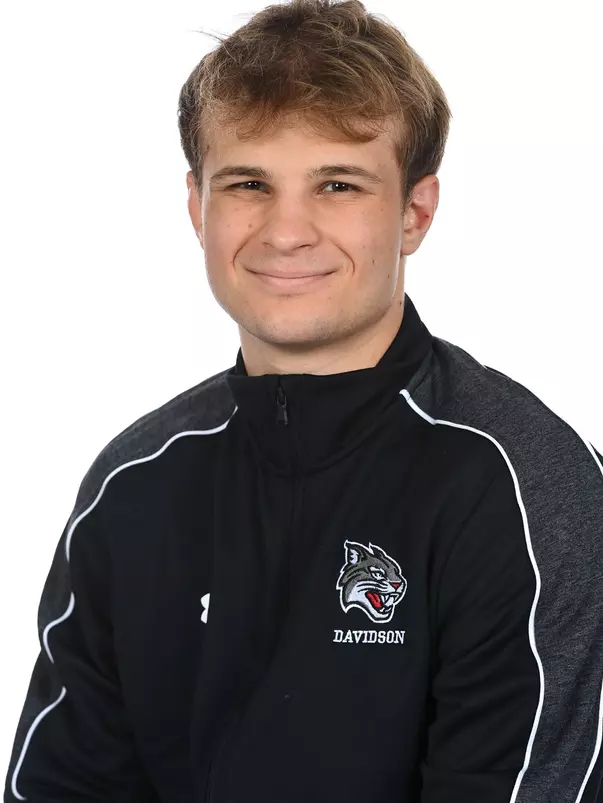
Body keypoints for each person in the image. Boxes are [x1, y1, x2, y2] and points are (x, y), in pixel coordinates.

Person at [4, 0, 603, 801]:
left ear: (414, 213)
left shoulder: (520, 486)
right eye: (248, 183)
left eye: (337, 184)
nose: (286, 232)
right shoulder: (133, 482)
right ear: (198, 207)